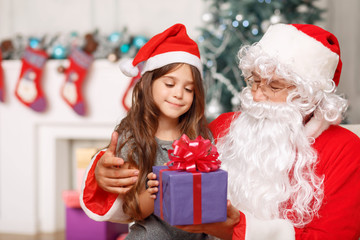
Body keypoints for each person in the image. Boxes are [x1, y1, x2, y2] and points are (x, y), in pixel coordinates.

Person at [147, 23, 360, 239]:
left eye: (274, 86)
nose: (257, 96)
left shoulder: (345, 150)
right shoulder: (224, 126)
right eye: (255, 81)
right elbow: (161, 152)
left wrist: (235, 229)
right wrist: (116, 175)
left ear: (310, 95)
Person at [80, 23, 211, 239]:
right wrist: (157, 193)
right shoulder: (132, 140)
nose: (179, 94)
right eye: (169, 84)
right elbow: (134, 211)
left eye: (188, 89)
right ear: (147, 85)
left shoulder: (201, 139)